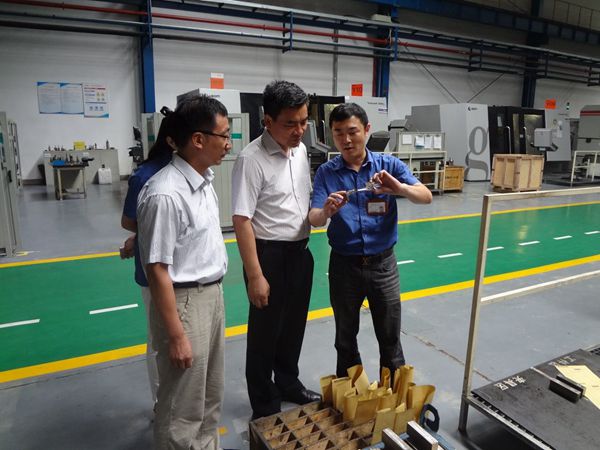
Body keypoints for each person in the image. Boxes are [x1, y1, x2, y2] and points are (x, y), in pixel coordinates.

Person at [308, 102, 432, 379]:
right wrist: (326, 211)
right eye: (338, 133)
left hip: (383, 266)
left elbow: (425, 196)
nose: (346, 139)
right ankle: (350, 395)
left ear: (366, 130)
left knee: (390, 338)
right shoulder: (327, 172)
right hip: (344, 267)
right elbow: (314, 218)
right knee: (345, 339)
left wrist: (399, 188)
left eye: (352, 131)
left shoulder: (388, 166)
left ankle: (394, 396)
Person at [137, 94, 231, 450]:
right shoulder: (165, 194)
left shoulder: (204, 181)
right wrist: (176, 335)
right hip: (185, 304)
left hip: (211, 296)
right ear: (198, 139)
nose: (228, 143)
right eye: (224, 135)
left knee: (209, 395)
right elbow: (157, 270)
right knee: (182, 405)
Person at [231, 80, 321, 420]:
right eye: (290, 124)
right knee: (264, 334)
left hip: (300, 253)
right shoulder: (251, 159)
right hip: (268, 255)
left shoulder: (300, 152)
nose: (299, 131)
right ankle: (264, 401)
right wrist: (255, 275)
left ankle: (287, 383)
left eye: (304, 121)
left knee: (293, 326)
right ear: (267, 121)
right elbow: (242, 220)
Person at [120, 107, 175, 408]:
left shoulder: (192, 171)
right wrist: (145, 233)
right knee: (159, 339)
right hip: (156, 272)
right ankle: (161, 402)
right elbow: (129, 221)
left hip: (185, 271)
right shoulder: (146, 176)